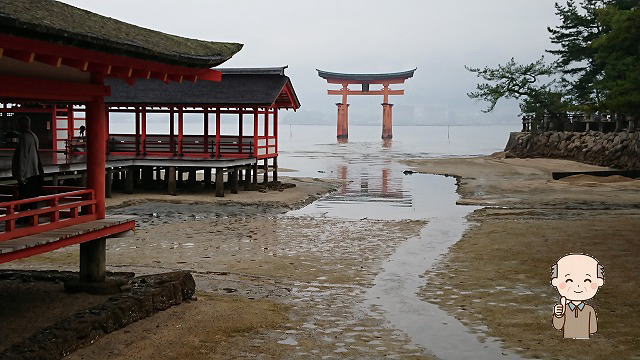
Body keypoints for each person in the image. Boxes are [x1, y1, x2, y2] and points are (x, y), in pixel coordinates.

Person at [551, 254, 604, 339]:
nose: (578, 286)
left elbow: (593, 329)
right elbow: (558, 326)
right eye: (569, 280)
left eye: (587, 280)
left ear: (599, 282)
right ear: (556, 281)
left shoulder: (589, 310)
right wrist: (558, 315)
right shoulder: (565, 309)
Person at [11, 115, 44, 205]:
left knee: (24, 201)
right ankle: (32, 218)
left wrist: (20, 176)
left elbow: (23, 157)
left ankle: (24, 218)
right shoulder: (34, 136)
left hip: (27, 174)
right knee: (33, 200)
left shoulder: (24, 137)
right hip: (35, 172)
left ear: (22, 125)